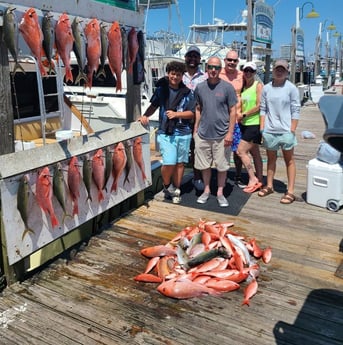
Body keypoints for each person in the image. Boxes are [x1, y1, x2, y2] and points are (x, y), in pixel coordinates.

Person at [139, 61, 195, 204]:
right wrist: (145, 115)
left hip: (184, 133)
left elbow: (192, 113)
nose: (175, 77)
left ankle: (176, 188)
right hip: (166, 132)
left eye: (178, 74)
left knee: (180, 163)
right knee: (169, 161)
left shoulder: (188, 93)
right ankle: (167, 186)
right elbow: (154, 105)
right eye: (172, 74)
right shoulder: (161, 90)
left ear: (182, 76)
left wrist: (177, 115)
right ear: (168, 74)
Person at [194, 56, 237, 207]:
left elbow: (233, 111)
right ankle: (206, 190)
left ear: (221, 69)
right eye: (211, 67)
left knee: (222, 166)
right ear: (206, 68)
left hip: (222, 135)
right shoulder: (199, 87)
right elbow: (198, 108)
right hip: (203, 134)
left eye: (217, 68)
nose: (213, 70)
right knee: (204, 165)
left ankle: (220, 193)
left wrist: (230, 133)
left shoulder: (227, 87)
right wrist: (195, 130)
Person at [258, 59, 300, 204]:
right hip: (270, 130)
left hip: (286, 131)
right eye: (277, 68)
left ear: (287, 71)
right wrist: (262, 128)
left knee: (290, 160)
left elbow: (296, 110)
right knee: (271, 159)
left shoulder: (291, 88)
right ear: (273, 70)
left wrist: (292, 130)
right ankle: (269, 186)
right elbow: (263, 109)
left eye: (283, 69)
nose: (279, 71)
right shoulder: (266, 88)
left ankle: (290, 191)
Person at [182, 45, 208, 192]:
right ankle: (178, 179)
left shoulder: (204, 77)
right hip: (181, 119)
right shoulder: (180, 74)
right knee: (183, 149)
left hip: (200, 119)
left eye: (195, 56)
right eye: (190, 56)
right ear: (186, 58)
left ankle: (197, 177)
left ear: (199, 59)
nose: (192, 59)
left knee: (198, 149)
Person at [219, 50, 245, 188]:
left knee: (238, 150)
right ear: (224, 60)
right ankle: (220, 177)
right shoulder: (218, 74)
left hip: (238, 119)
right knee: (221, 149)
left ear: (238, 62)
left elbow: (255, 88)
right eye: (229, 60)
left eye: (234, 61)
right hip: (221, 119)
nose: (232, 62)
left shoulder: (241, 75)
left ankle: (238, 175)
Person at [236, 61, 263, 193]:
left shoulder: (258, 86)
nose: (247, 73)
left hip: (254, 123)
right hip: (244, 124)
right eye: (246, 70)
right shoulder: (244, 87)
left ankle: (252, 178)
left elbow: (259, 105)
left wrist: (244, 114)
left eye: (250, 71)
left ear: (254, 73)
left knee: (241, 151)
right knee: (255, 152)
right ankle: (260, 179)